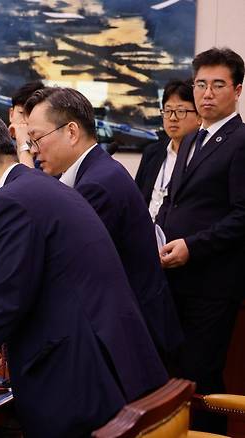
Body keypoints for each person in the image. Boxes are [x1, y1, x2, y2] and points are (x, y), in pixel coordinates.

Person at [0, 110, 167, 437]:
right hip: (115, 362)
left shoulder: (7, 203)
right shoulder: (38, 186)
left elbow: (9, 298)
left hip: (80, 376)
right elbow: (37, 285)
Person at [24, 87, 183, 357]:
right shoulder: (96, 171)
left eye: (36, 139)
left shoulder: (98, 185)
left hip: (134, 337)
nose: (33, 150)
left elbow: (65, 270)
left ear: (71, 132)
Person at [156, 47, 245, 434]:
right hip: (174, 278)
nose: (206, 94)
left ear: (237, 90)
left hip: (212, 283)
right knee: (173, 374)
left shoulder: (240, 141)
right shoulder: (192, 139)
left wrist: (193, 245)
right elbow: (173, 203)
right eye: (201, 84)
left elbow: (242, 215)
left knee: (201, 375)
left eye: (218, 85)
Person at [135, 80, 201, 220]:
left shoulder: (203, 156)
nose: (172, 118)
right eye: (168, 110)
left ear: (199, 116)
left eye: (180, 111)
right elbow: (137, 200)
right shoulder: (152, 153)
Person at [8, 81, 45, 167]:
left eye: (30, 114)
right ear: (11, 114)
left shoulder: (45, 156)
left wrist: (25, 145)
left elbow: (29, 180)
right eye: (21, 113)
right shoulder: (1, 148)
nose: (25, 121)